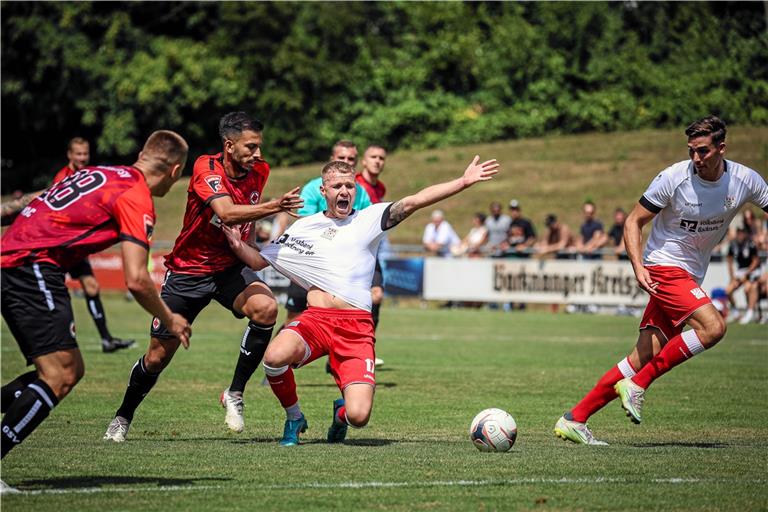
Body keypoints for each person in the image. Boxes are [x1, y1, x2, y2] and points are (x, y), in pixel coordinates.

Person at [222, 155, 499, 446]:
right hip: (316, 320)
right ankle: (294, 417)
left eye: (350, 186)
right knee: (274, 357)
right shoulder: (303, 228)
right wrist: (234, 242)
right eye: (337, 186)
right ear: (323, 191)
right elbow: (258, 260)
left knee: (359, 416)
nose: (344, 191)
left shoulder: (369, 219)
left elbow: (416, 200)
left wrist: (463, 181)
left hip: (355, 328)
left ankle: (340, 413)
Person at [554, 115, 768, 445]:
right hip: (664, 268)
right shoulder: (674, 178)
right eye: (691, 151)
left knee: (642, 355)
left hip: (689, 273)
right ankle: (639, 384)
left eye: (703, 151)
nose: (696, 159)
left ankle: (575, 418)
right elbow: (632, 222)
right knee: (714, 328)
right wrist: (639, 267)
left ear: (721, 148)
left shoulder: (745, 180)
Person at [103, 112, 303, 441]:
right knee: (156, 358)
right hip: (188, 271)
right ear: (228, 145)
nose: (258, 154)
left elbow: (243, 223)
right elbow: (226, 212)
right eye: (250, 147)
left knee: (267, 309)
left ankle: (234, 393)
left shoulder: (260, 171)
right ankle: (122, 417)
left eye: (259, 147)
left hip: (227, 268)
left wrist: (249, 249)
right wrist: (275, 206)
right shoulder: (205, 168)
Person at [1, 130, 192, 461]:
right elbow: (136, 279)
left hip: (17, 260)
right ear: (175, 171)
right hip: (30, 266)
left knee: (67, 369)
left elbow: (37, 199)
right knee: (60, 374)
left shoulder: (100, 172)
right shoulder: (136, 195)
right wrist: (170, 317)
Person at [54, 137, 136, 353]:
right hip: (59, 246)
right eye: (78, 154)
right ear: (69, 155)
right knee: (57, 293)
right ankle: (57, 341)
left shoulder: (90, 176)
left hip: (76, 247)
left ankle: (106, 340)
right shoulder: (62, 179)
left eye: (85, 154)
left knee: (91, 287)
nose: (82, 158)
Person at [725, 227, 760, 324]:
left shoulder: (750, 244)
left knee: (748, 289)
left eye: (742, 233)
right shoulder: (733, 245)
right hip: (740, 271)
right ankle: (736, 312)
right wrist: (732, 278)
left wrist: (747, 273)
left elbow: (756, 261)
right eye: (739, 233)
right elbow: (729, 262)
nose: (740, 235)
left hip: (751, 271)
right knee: (728, 291)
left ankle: (749, 313)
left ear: (745, 234)